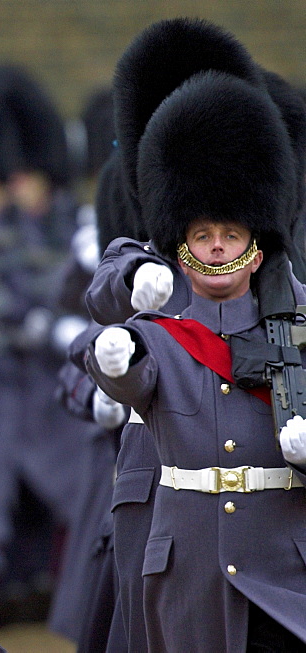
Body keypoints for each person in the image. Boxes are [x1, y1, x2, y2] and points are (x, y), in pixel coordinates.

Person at [84, 69, 306, 649]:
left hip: (276, 539)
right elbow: (106, 298)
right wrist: (132, 301)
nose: (214, 247)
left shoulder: (289, 302)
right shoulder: (151, 268)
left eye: (229, 236)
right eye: (202, 235)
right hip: (170, 498)